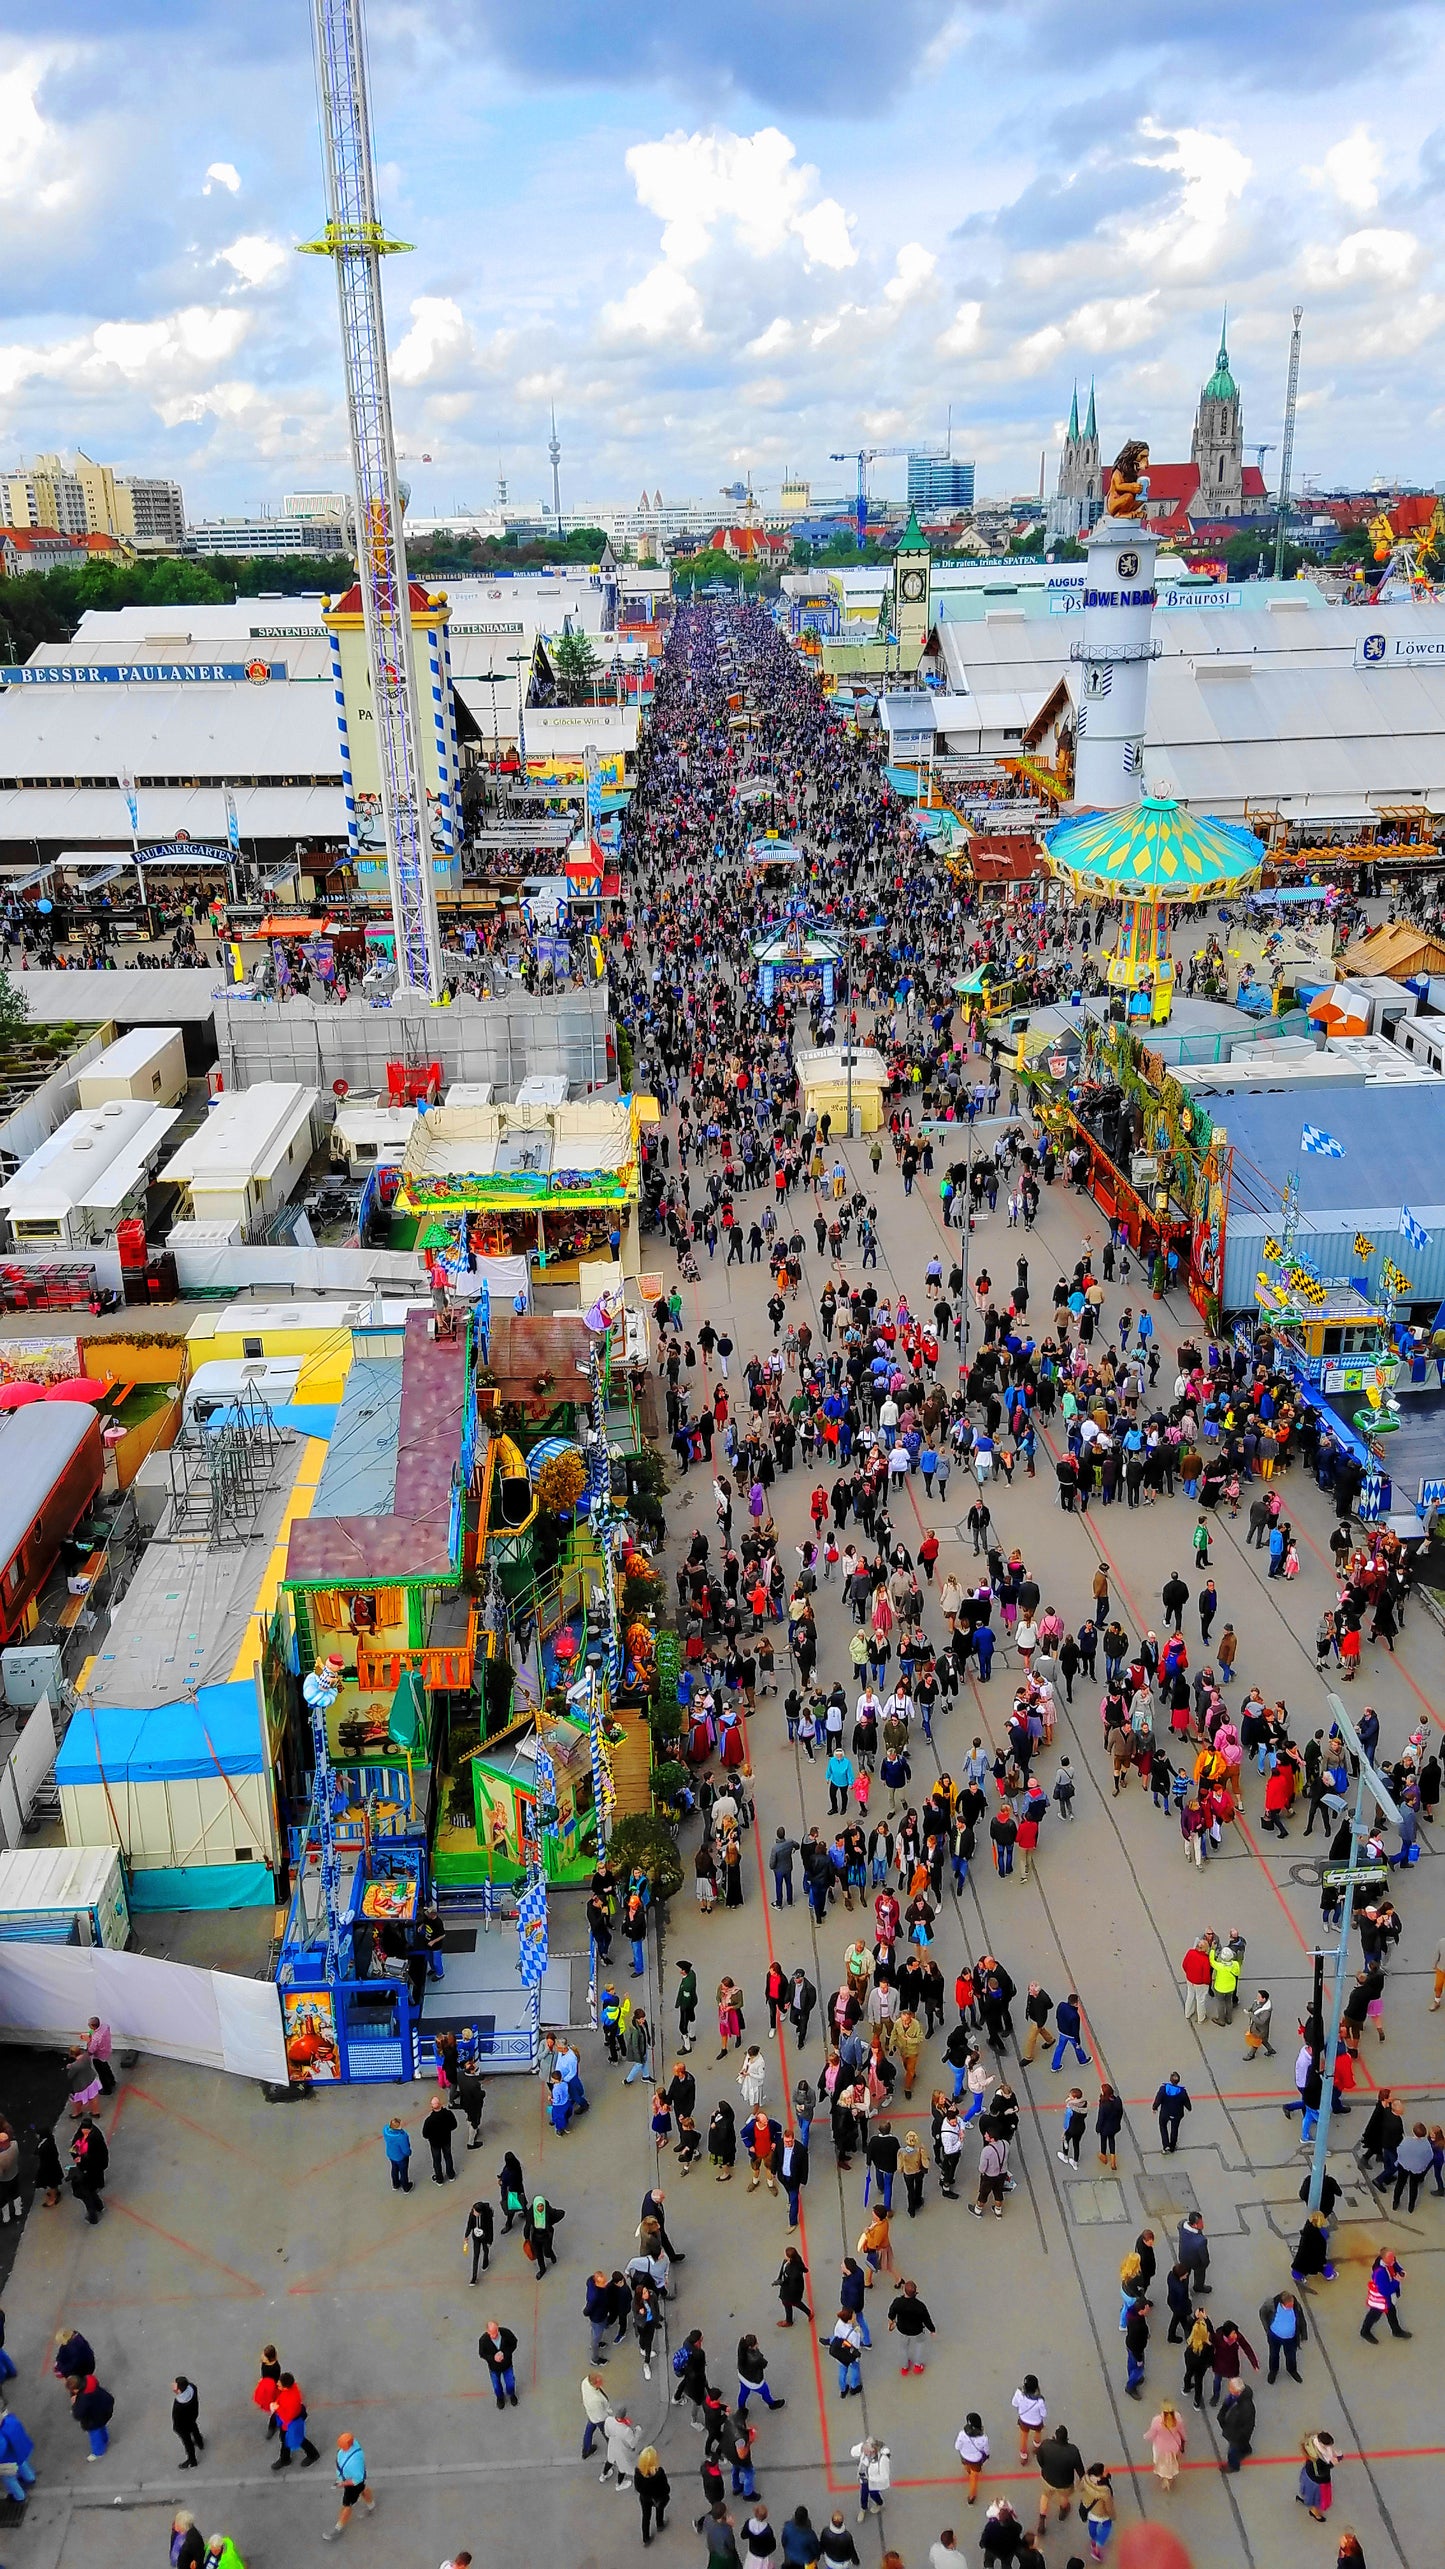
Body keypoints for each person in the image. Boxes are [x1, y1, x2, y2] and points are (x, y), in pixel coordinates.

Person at [322, 2431, 376, 2541]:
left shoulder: (353, 2462)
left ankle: (338, 2529)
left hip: (352, 2484)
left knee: (347, 2505)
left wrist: (342, 2483)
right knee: (363, 2488)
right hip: (353, 2481)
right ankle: (371, 2506)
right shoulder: (354, 2445)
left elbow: (357, 2479)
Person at [1034, 2423, 1083, 2538]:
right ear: (1066, 2438)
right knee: (1064, 2497)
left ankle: (1042, 2519)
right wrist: (1083, 2480)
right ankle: (1063, 2511)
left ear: (1055, 2436)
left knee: (1045, 2496)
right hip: (1064, 2482)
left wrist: (1045, 2468)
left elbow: (1039, 2459)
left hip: (1048, 2478)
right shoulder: (1073, 2451)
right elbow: (1079, 2469)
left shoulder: (1046, 2445)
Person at [1360, 2250, 1410, 2342]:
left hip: (1388, 2298)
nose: (1393, 2261)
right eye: (1391, 2260)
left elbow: (1395, 2265)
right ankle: (1365, 2331)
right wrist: (1397, 2281)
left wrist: (1400, 2270)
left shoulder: (1389, 2260)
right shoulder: (1379, 2273)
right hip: (1381, 2299)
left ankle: (1396, 2331)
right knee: (1374, 2314)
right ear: (1383, 2258)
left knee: (1392, 2312)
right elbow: (1385, 2290)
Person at [1260, 2288, 1307, 2382]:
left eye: (1292, 2304)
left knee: (1291, 2356)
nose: (1291, 2306)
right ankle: (1273, 2371)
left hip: (1290, 2338)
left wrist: (1304, 2334)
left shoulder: (1296, 2306)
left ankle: (1292, 2370)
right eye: (1289, 2306)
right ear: (1282, 2303)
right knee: (1273, 2354)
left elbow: (1301, 2319)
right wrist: (1267, 2329)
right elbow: (1262, 2313)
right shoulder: (1271, 2305)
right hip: (1274, 2336)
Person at [67, 2369, 114, 2461]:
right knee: (101, 2427)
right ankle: (105, 2440)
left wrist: (74, 2404)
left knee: (94, 2434)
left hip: (93, 2418)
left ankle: (98, 2452)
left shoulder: (83, 2399)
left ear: (76, 2389)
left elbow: (78, 2414)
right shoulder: (90, 2382)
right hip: (102, 2410)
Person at [1144, 2398, 1186, 2491]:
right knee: (1172, 2461)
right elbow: (1182, 2431)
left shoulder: (1157, 2420)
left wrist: (1145, 2436)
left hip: (1161, 2446)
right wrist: (1184, 2439)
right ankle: (1169, 2478)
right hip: (1174, 2445)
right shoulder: (1177, 2418)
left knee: (1161, 2462)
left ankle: (1165, 2478)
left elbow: (1152, 2433)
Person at [1217, 2376, 1256, 2474]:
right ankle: (1246, 2450)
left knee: (1232, 2452)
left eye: (1231, 2388)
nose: (1229, 2390)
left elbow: (1247, 2426)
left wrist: (1236, 2437)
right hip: (1237, 2432)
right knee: (1243, 2444)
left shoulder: (1246, 2408)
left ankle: (1233, 2466)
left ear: (1237, 2391)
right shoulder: (1238, 2398)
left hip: (1236, 2435)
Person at [1299, 2430, 1338, 2521]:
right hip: (1316, 2481)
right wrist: (1331, 2464)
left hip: (1308, 2473)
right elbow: (1319, 2473)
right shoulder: (1317, 2458)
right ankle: (1314, 2512)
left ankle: (1306, 2498)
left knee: (1309, 2493)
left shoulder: (1312, 2443)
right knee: (1317, 2500)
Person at [478, 2321, 519, 2409]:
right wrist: (493, 2358)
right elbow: (482, 2354)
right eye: (492, 2333)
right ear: (488, 2332)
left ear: (498, 2328)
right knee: (496, 2386)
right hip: (494, 2368)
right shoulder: (483, 2341)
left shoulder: (506, 2333)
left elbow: (514, 2343)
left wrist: (505, 2353)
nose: (495, 2335)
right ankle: (500, 2398)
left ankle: (512, 2395)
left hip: (507, 2365)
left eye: (496, 2331)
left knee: (510, 2383)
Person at [635, 2446, 671, 2545]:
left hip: (645, 2498)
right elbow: (666, 2488)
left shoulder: (638, 2473)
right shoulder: (659, 2474)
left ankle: (645, 2538)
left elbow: (637, 2487)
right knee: (660, 2510)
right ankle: (660, 2524)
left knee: (646, 2516)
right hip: (658, 2498)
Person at [851, 2436, 890, 2523]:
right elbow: (853, 2452)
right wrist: (861, 2448)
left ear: (873, 2450)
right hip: (864, 2479)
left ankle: (879, 2504)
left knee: (874, 2494)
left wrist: (870, 2478)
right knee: (863, 2495)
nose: (863, 2453)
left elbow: (884, 2477)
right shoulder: (864, 2449)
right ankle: (863, 2509)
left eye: (866, 2451)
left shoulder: (882, 2460)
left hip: (873, 2482)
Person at [954, 2410, 990, 2503]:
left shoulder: (962, 2434)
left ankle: (968, 2471)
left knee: (966, 2466)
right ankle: (972, 2495)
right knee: (974, 2478)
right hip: (976, 2459)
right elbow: (986, 2450)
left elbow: (957, 2447)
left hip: (964, 2456)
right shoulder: (983, 2438)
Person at [171, 2375, 204, 2468]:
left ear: (180, 2390)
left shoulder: (179, 2404)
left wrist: (176, 2428)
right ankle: (199, 2442)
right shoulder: (193, 2388)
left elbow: (176, 2419)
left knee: (187, 2442)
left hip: (182, 2425)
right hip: (192, 2416)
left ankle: (192, 2460)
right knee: (194, 2427)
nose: (173, 2386)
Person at [464, 2196, 494, 2282]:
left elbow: (490, 2229)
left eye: (475, 2211)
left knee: (485, 2249)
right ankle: (474, 2277)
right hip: (476, 2237)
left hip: (484, 2236)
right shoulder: (472, 2215)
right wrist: (466, 2236)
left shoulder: (487, 2217)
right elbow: (469, 2225)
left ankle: (486, 2260)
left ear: (480, 2213)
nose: (473, 2212)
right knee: (476, 2255)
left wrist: (490, 2240)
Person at [382, 2118, 413, 2191]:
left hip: (391, 2154)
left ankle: (395, 2184)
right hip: (400, 2157)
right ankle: (406, 2187)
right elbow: (405, 2150)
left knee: (394, 2169)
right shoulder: (401, 2137)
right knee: (403, 2172)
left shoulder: (385, 2130)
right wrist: (409, 2152)